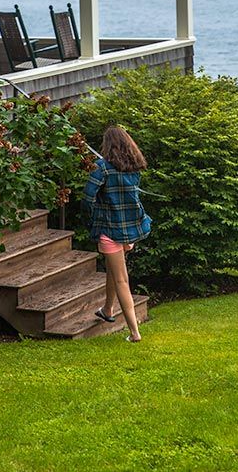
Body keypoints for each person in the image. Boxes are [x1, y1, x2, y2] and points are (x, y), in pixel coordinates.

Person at [82, 125, 151, 342]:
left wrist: (92, 219)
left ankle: (134, 333)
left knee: (121, 279)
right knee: (114, 270)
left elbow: (87, 198)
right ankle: (108, 309)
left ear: (107, 145)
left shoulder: (101, 168)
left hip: (110, 231)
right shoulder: (134, 167)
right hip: (131, 230)